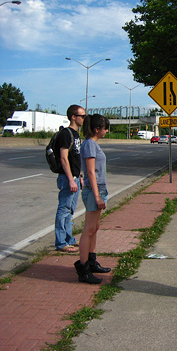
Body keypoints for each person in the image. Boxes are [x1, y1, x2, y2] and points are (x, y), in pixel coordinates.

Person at [74, 114, 111, 284]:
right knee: (88, 229)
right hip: (93, 191)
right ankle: (83, 269)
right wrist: (97, 196)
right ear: (97, 129)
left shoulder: (93, 144)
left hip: (100, 190)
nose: (107, 131)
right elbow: (90, 172)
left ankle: (91, 260)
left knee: (95, 227)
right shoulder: (89, 145)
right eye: (105, 128)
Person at [54, 104, 86, 253]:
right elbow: (64, 158)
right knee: (64, 209)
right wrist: (71, 179)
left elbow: (75, 159)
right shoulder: (66, 134)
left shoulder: (76, 134)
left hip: (74, 177)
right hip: (67, 178)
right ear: (74, 117)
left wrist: (79, 176)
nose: (84, 119)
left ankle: (69, 239)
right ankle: (61, 243)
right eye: (82, 116)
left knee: (70, 211)